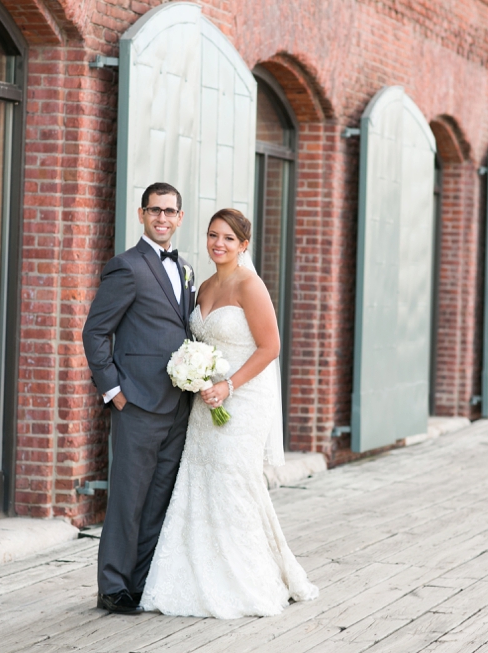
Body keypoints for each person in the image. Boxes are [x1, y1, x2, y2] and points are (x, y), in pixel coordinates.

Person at [140, 208, 318, 618]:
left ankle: (246, 579)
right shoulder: (202, 287)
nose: (218, 244)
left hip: (242, 400)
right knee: (201, 481)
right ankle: (197, 575)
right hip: (206, 402)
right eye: (212, 235)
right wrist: (196, 375)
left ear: (243, 245)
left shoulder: (249, 286)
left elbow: (269, 347)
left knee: (234, 481)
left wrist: (229, 385)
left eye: (228, 239)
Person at [81, 182, 195, 615]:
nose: (162, 218)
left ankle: (141, 581)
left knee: (158, 499)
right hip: (138, 404)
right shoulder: (125, 266)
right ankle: (112, 586)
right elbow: (95, 332)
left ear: (180, 217)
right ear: (142, 215)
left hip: (178, 405)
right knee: (128, 498)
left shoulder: (184, 268)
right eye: (155, 211)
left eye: (170, 211)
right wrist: (114, 391)